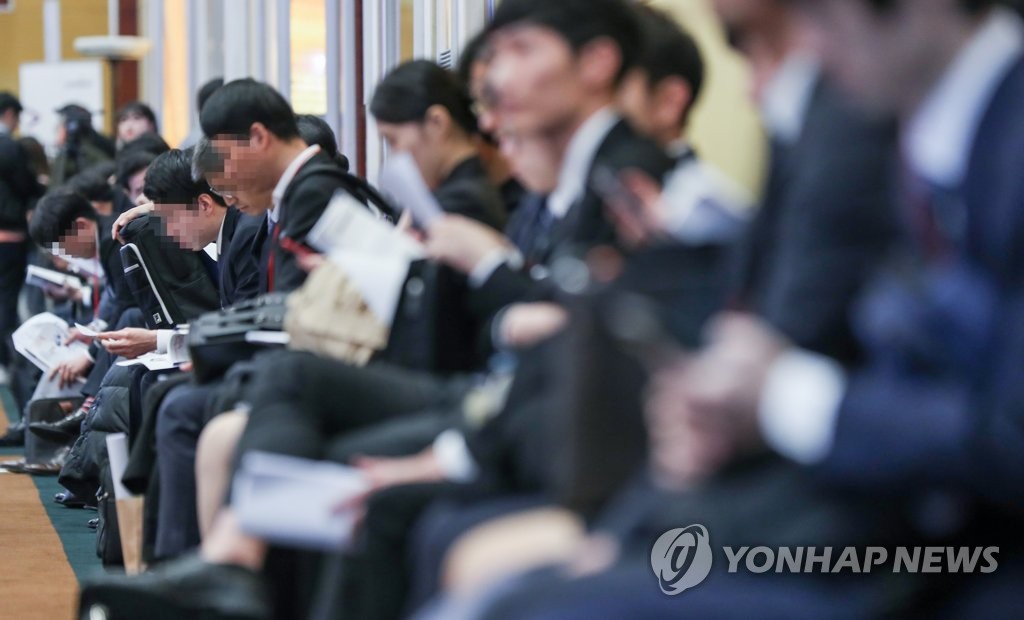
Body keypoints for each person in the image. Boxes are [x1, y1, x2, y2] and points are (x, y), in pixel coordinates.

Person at [371, 59, 506, 229]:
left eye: (393, 140)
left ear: (437, 123)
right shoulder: (472, 189)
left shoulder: (461, 203)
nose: (395, 154)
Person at [0, 91, 45, 446]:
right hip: (9, 237)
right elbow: (24, 185)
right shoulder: (8, 146)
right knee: (8, 313)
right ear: (10, 114)